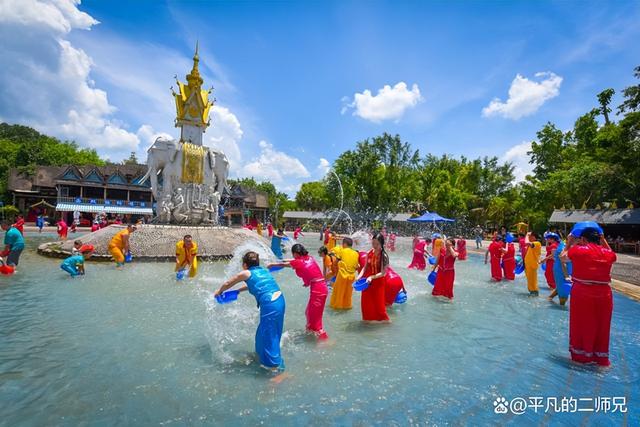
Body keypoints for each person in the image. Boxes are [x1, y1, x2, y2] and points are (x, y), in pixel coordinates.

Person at [214, 251, 285, 371]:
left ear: (245, 264)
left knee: (269, 334)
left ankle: (275, 368)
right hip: (279, 301)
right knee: (262, 333)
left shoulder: (246, 272)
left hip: (270, 304)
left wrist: (219, 292)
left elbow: (228, 283)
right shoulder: (263, 271)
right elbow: (254, 285)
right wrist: (238, 291)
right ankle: (260, 357)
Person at [563, 225, 616, 366]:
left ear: (583, 239)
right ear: (599, 239)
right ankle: (600, 357)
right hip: (605, 294)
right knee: (602, 326)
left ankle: (582, 357)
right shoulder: (608, 253)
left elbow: (563, 258)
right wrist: (603, 240)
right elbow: (612, 254)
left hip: (583, 292)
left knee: (581, 323)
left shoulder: (578, 250)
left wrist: (569, 242)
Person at [268, 244, 328, 339]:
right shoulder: (309, 258)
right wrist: (308, 282)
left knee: (314, 318)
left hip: (318, 291)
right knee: (308, 313)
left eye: (293, 254)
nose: (292, 256)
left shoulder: (299, 262)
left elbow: (285, 265)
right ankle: (311, 334)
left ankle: (324, 341)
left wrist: (272, 264)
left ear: (295, 253)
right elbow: (311, 271)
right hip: (320, 287)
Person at [356, 233, 390, 322]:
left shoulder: (384, 256)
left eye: (377, 244)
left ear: (381, 243)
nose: (374, 246)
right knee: (366, 304)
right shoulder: (369, 253)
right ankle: (367, 322)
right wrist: (359, 276)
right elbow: (365, 267)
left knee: (379, 306)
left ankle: (386, 323)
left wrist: (371, 277)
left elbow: (383, 273)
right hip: (367, 282)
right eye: (373, 243)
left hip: (378, 283)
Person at [329, 237, 359, 310]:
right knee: (348, 294)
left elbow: (336, 262)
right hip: (352, 277)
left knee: (338, 292)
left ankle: (337, 307)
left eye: (343, 244)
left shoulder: (342, 251)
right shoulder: (356, 253)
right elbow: (356, 266)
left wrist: (334, 269)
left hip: (342, 275)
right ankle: (347, 307)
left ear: (345, 244)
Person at [548, 236, 572, 305]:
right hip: (561, 271)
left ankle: (549, 298)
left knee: (560, 287)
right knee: (564, 295)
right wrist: (566, 276)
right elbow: (563, 262)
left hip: (563, 270)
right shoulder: (563, 248)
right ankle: (561, 306)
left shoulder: (566, 246)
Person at [524, 232, 542, 296]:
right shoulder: (534, 244)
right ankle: (532, 291)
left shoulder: (537, 243)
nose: (529, 237)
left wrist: (526, 235)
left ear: (534, 237)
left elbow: (526, 243)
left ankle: (534, 292)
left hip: (532, 265)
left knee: (532, 280)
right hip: (529, 265)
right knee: (530, 280)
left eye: (530, 236)